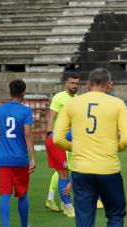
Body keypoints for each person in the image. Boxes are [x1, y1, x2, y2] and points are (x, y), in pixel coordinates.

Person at [53, 68, 127, 227]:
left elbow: (57, 138)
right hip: (108, 169)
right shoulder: (116, 104)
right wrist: (111, 148)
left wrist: (78, 147)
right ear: (109, 85)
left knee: (84, 225)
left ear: (88, 85)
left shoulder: (72, 104)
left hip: (81, 170)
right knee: (116, 216)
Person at [0, 79, 36, 227]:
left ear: (10, 92)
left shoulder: (0, 110)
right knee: (22, 194)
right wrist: (32, 157)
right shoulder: (25, 111)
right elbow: (27, 134)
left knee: (4, 194)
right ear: (23, 93)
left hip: (4, 160)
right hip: (20, 160)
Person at [45, 73, 80, 217]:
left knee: (70, 170)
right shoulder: (59, 97)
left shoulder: (79, 100)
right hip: (59, 139)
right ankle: (67, 206)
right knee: (63, 172)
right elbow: (52, 117)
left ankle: (54, 199)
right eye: (72, 83)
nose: (75, 86)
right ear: (67, 83)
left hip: (73, 140)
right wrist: (49, 134)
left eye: (77, 83)